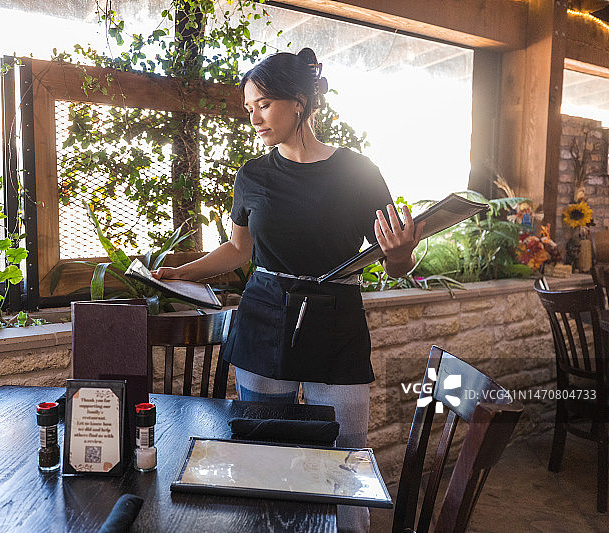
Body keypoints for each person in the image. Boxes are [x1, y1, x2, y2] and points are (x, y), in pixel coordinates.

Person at [153, 48, 424, 532]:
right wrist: (184, 272)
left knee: (345, 456)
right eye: (248, 108)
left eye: (263, 105)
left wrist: (402, 252)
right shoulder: (252, 175)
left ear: (299, 102)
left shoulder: (358, 171)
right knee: (261, 453)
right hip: (263, 316)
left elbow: (396, 262)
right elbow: (239, 249)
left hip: (336, 318)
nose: (253, 118)